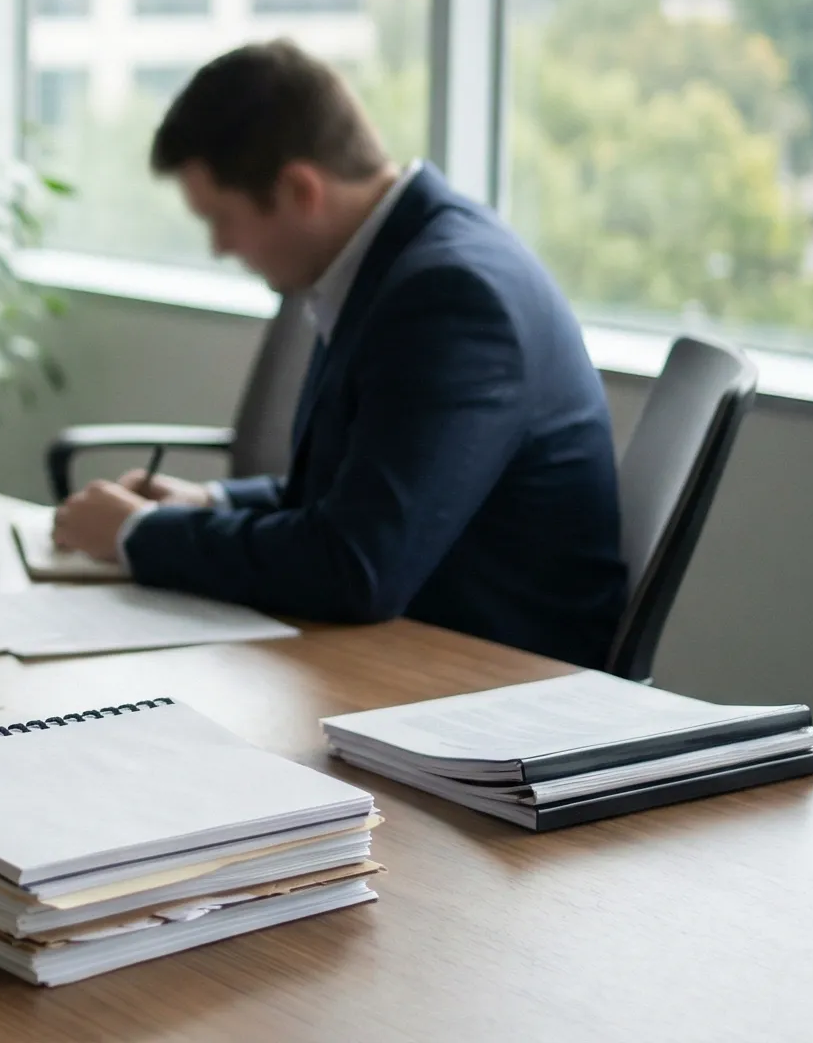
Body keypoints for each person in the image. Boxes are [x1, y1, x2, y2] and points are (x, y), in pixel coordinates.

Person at [50, 41, 628, 667]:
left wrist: (137, 534)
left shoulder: (450, 295)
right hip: (418, 648)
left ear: (300, 189)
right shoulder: (397, 262)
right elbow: (362, 490)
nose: (218, 248)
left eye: (221, 218)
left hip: (498, 684)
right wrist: (210, 503)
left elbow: (355, 565)